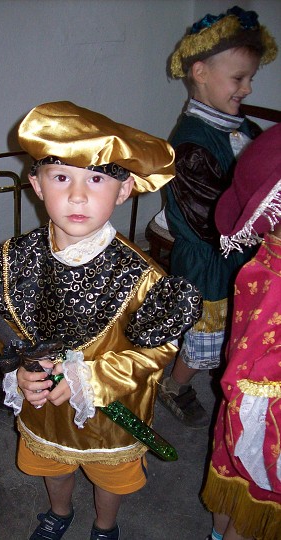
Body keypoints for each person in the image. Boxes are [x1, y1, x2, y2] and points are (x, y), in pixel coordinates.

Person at [0, 101, 202, 540]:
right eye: (61, 177)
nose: (77, 196)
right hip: (44, 406)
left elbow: (154, 354)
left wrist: (88, 379)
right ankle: (59, 513)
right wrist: (19, 369)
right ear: (36, 184)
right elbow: (10, 332)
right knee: (53, 467)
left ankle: (104, 525)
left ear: (124, 189)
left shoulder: (144, 278)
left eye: (96, 179)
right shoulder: (11, 261)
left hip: (110, 414)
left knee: (109, 480)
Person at [158, 5, 278, 428]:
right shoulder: (191, 145)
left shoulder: (241, 128)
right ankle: (174, 384)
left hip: (239, 252)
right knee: (205, 335)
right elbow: (212, 222)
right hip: (210, 260)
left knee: (239, 325)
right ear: (201, 73)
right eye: (239, 78)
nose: (247, 88)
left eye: (251, 78)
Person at [201, 123, 281, 540]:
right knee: (253, 499)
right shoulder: (275, 278)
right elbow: (259, 375)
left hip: (251, 401)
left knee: (236, 485)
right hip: (265, 414)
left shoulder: (267, 261)